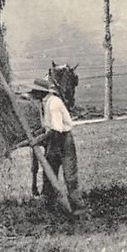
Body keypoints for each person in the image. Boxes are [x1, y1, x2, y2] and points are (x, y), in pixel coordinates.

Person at [32, 78, 85, 213]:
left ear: (41, 92)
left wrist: (39, 140)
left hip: (63, 140)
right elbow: (47, 125)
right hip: (54, 139)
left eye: (35, 92)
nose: (34, 94)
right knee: (49, 173)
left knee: (69, 175)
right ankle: (50, 205)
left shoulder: (54, 103)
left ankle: (78, 206)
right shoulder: (45, 102)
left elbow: (56, 129)